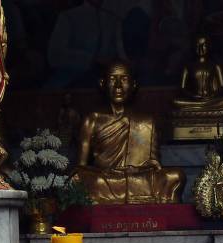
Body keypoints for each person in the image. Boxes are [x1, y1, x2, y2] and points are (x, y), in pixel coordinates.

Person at [73, 61, 185, 204]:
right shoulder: (92, 119)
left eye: (124, 79)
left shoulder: (146, 121)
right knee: (78, 178)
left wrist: (148, 165)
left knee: (176, 175)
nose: (118, 86)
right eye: (113, 79)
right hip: (106, 179)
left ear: (133, 85)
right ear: (103, 83)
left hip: (138, 178)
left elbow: (154, 163)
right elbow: (80, 167)